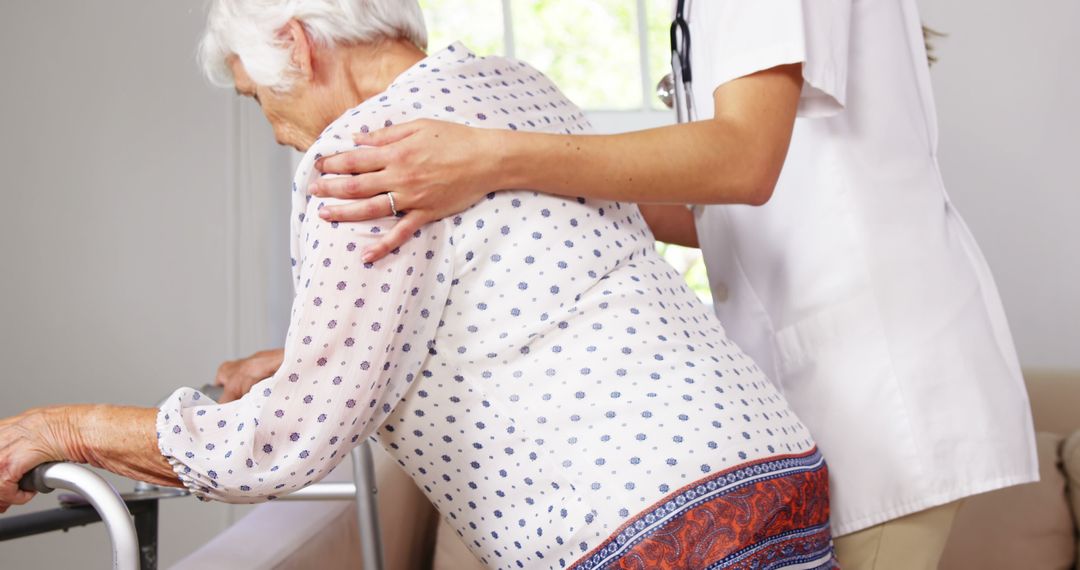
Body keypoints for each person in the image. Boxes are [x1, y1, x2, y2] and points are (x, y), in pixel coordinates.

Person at [0, 1, 838, 568]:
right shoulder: (513, 85)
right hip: (767, 468)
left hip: (647, 528)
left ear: (298, 43)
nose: (276, 132)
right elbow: (509, 290)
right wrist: (292, 359)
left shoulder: (361, 159)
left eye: (258, 99)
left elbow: (279, 446)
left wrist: (63, 428)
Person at [301, 0, 1039, 568]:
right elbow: (716, 215)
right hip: (827, 387)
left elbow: (743, 162)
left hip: (880, 390)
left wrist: (496, 157)